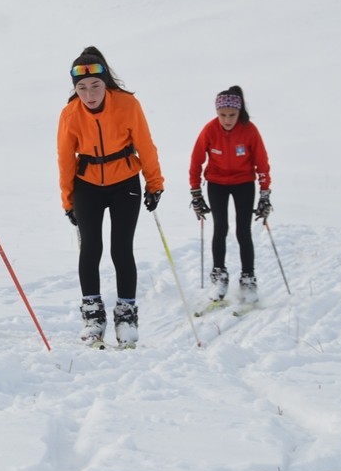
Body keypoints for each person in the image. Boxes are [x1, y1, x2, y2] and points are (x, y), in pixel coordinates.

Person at [57, 46, 164, 349]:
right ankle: (93, 316)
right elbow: (64, 158)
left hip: (125, 182)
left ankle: (126, 317)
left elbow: (145, 144)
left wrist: (154, 184)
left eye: (95, 86)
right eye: (82, 88)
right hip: (87, 185)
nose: (89, 94)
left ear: (105, 83)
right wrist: (68, 200)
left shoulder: (127, 104)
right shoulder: (70, 113)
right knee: (91, 248)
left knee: (121, 248)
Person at [188, 85, 272, 305]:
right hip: (217, 183)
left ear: (239, 112)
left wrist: (265, 194)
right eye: (222, 115)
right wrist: (196, 192)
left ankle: (248, 279)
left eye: (232, 115)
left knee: (243, 231)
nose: (227, 120)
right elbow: (196, 161)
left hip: (244, 182)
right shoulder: (210, 130)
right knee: (220, 227)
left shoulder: (249, 130)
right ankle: (219, 277)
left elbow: (262, 163)